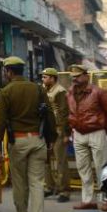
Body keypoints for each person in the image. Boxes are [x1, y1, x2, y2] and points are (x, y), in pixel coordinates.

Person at [0, 57, 52, 212]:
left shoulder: (6, 91)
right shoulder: (37, 88)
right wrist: (51, 140)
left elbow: (0, 122)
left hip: (17, 142)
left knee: (19, 182)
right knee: (36, 183)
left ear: (8, 72)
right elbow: (49, 115)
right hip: (38, 140)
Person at [67, 64, 107, 212]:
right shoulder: (69, 93)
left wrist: (104, 129)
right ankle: (87, 200)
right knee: (83, 168)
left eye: (78, 76)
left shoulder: (99, 92)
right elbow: (69, 112)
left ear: (86, 76)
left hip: (96, 132)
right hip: (78, 133)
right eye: (73, 76)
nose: (75, 79)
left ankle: (106, 199)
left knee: (103, 168)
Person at [42, 68, 71, 203]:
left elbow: (65, 113)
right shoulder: (43, 90)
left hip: (59, 129)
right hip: (46, 130)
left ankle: (64, 190)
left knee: (60, 160)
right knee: (46, 160)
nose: (43, 79)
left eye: (46, 77)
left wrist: (66, 133)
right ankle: (49, 187)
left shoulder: (60, 91)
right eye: (43, 77)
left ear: (53, 78)